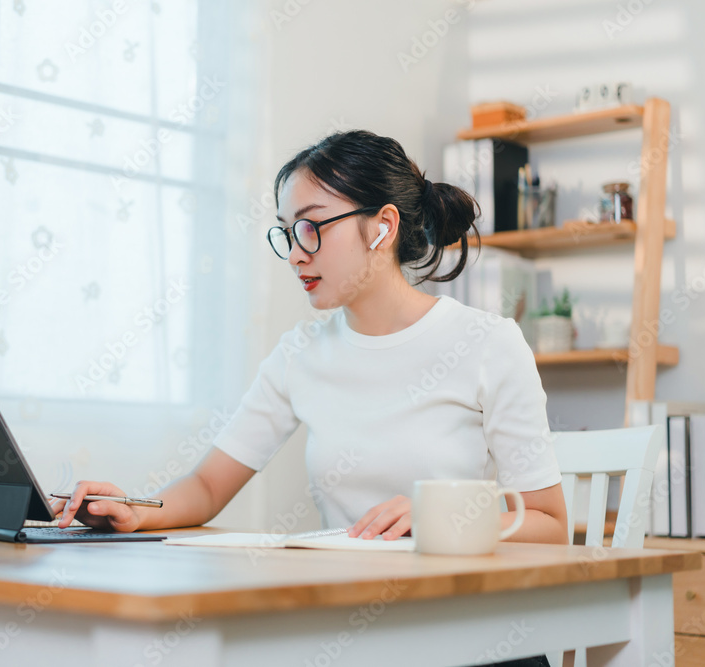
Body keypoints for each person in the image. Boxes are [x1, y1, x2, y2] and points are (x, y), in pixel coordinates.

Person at [51, 130, 566, 667]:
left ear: (382, 227)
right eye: (286, 234)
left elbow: (550, 525)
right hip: (353, 632)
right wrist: (135, 510)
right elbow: (207, 486)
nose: (296, 255)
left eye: (311, 228)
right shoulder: (300, 354)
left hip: (472, 635)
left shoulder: (487, 343)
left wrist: (443, 517)